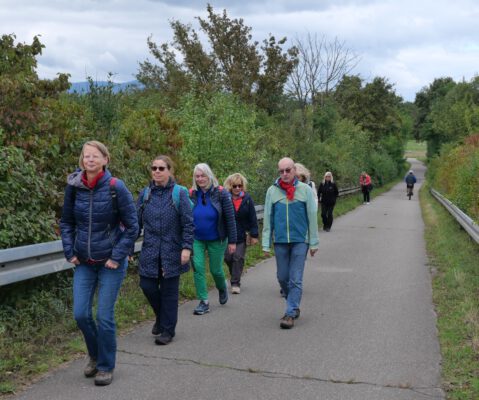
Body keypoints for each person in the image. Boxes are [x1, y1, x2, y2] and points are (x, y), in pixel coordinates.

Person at [60, 140, 138, 386]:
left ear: (105, 160)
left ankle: (105, 366)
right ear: (81, 160)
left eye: (95, 156)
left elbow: (133, 226)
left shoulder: (116, 187)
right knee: (81, 314)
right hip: (83, 261)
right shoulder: (74, 187)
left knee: (104, 316)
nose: (90, 160)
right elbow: (66, 222)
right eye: (86, 156)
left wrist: (117, 256)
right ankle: (94, 355)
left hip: (110, 263)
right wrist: (69, 250)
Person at [136, 156, 194, 345]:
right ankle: (161, 317)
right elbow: (135, 224)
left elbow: (188, 223)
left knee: (169, 292)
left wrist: (186, 248)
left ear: (170, 170)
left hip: (172, 251)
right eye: (154, 168)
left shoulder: (179, 194)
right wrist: (127, 247)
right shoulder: (145, 195)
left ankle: (168, 330)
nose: (157, 171)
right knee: (147, 286)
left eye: (161, 168)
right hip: (150, 251)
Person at [262, 157, 319, 329]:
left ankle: (290, 312)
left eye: (288, 170)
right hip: (280, 241)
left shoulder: (305, 190)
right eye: (281, 171)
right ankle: (292, 303)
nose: (285, 174)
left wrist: (314, 242)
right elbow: (267, 218)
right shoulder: (272, 191)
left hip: (300, 241)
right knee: (282, 277)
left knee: (295, 279)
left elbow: (312, 217)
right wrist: (266, 243)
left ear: (294, 170)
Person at [190, 163, 237, 315]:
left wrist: (233, 241)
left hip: (217, 238)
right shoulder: (192, 194)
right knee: (198, 268)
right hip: (196, 238)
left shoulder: (221, 193)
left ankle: (222, 287)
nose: (200, 179)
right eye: (197, 176)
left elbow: (230, 219)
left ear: (209, 175)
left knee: (216, 270)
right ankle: (204, 301)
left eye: (203, 175)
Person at [223, 173, 259, 294]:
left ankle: (235, 283)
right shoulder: (225, 198)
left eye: (240, 185)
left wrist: (254, 235)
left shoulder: (247, 199)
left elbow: (253, 218)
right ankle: (235, 273)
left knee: (238, 257)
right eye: (235, 186)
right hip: (227, 235)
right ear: (230, 186)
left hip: (241, 234)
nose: (237, 188)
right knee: (228, 257)